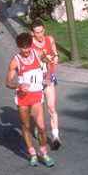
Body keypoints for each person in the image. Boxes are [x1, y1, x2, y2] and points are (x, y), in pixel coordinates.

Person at [5, 32, 55, 167]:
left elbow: (50, 62)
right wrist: (18, 85)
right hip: (23, 98)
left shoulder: (38, 54)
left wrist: (48, 77)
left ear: (30, 45)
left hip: (37, 95)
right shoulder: (15, 61)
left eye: (27, 47)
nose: (26, 51)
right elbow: (8, 82)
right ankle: (32, 154)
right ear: (18, 47)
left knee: (42, 127)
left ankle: (43, 153)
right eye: (23, 48)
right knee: (26, 126)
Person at [31, 18, 61, 150]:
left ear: (44, 30)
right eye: (37, 32)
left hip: (48, 77)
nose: (40, 35)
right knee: (37, 111)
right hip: (35, 80)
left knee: (52, 108)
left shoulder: (50, 39)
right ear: (32, 33)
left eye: (41, 31)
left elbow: (55, 54)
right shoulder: (30, 45)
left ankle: (55, 137)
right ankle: (38, 126)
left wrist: (55, 57)